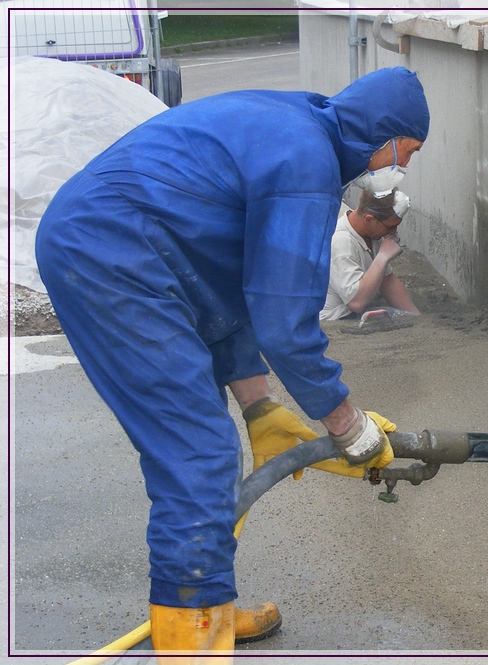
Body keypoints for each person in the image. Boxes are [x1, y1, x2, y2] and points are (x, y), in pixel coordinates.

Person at [34, 67, 429, 659]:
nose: (402, 164)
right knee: (196, 450)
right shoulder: (305, 164)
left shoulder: (297, 123)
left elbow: (234, 288)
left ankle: (202, 609)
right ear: (385, 132)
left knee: (205, 446)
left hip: (136, 242)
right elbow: (285, 323)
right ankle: (189, 642)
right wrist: (349, 426)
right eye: (408, 149)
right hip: (109, 251)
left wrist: (261, 407)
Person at [321, 188, 420, 322]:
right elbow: (356, 302)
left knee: (400, 316)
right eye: (390, 227)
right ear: (369, 219)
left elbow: (388, 282)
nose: (394, 232)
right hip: (335, 319)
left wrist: (417, 318)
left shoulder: (371, 235)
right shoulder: (341, 243)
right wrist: (383, 257)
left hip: (351, 313)